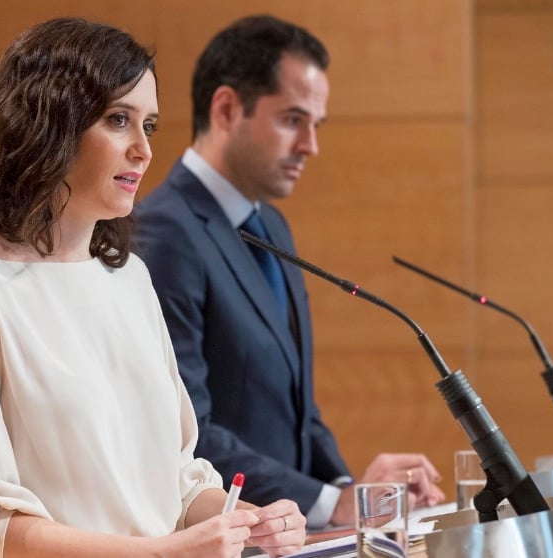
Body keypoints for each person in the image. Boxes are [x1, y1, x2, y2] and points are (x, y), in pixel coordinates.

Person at [0, 18, 307, 558]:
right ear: (49, 124)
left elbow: (178, 482)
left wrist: (249, 522)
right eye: (119, 120)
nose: (143, 150)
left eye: (150, 126)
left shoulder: (129, 277)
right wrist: (163, 553)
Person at [133, 14, 446, 529]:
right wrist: (327, 504)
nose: (310, 145)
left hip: (290, 535)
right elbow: (190, 433)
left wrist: (348, 493)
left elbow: (300, 411)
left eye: (315, 125)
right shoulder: (163, 233)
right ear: (228, 108)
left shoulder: (270, 225)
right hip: (227, 535)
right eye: (292, 120)